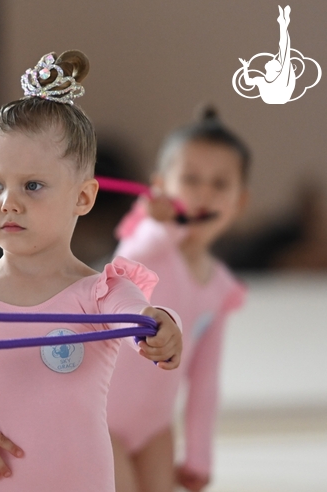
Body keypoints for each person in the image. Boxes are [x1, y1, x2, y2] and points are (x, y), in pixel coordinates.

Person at [0, 51, 183, 492]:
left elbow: (141, 321)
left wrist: (162, 327)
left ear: (83, 197)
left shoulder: (101, 293)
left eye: (33, 185)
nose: (9, 202)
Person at [107, 107, 250, 492]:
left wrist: (200, 455)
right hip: (98, 418)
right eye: (190, 179)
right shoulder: (149, 244)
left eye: (220, 184)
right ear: (159, 188)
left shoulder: (221, 288)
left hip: (154, 427)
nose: (204, 193)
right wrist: (159, 219)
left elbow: (205, 380)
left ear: (239, 202)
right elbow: (137, 245)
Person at [239, 5, 295, 104]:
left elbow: (285, 49)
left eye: (274, 61)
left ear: (276, 69)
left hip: (280, 96)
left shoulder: (281, 78)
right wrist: (245, 67)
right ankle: (283, 23)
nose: (272, 59)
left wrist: (283, 26)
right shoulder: (261, 80)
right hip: (274, 97)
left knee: (284, 50)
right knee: (284, 51)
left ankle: (283, 23)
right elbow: (248, 82)